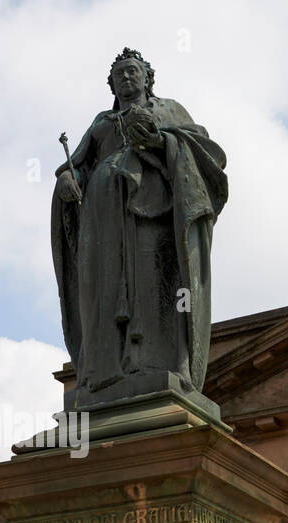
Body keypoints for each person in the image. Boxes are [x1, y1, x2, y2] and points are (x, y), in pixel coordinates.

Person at [52, 48, 228, 409]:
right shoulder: (102, 123)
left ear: (148, 78)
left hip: (152, 214)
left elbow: (206, 156)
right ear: (112, 85)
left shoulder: (168, 111)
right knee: (101, 290)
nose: (126, 78)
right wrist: (67, 179)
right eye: (119, 75)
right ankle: (105, 373)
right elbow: (79, 164)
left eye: (133, 71)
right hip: (103, 222)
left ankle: (157, 365)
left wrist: (161, 141)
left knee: (153, 285)